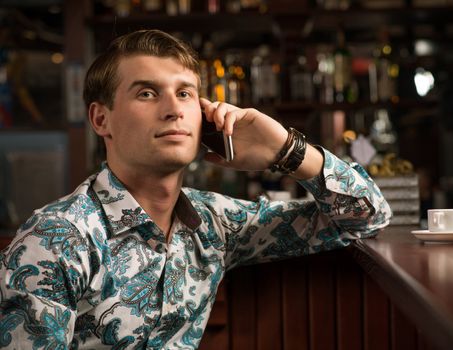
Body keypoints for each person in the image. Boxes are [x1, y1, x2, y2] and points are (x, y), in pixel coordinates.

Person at [0, 29, 391, 349]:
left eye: (185, 93)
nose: (173, 109)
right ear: (101, 119)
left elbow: (365, 217)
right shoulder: (55, 239)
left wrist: (285, 150)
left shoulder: (214, 223)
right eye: (147, 93)